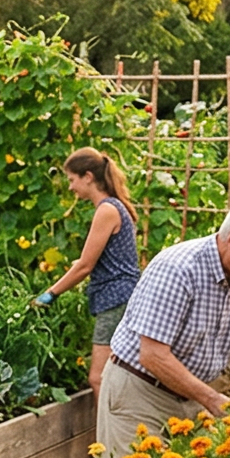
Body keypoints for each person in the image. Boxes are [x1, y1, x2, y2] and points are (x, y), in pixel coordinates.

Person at [95, 198, 230, 458]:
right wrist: (211, 399)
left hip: (192, 396)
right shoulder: (178, 269)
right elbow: (152, 355)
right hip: (141, 393)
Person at [36, 149, 144, 391]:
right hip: (122, 296)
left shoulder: (107, 210)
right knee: (118, 375)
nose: (71, 187)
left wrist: (49, 294)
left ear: (87, 177)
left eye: (72, 179)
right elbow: (108, 258)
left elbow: (85, 266)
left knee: (99, 378)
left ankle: (105, 431)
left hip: (115, 299)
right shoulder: (115, 206)